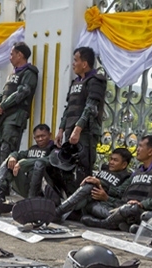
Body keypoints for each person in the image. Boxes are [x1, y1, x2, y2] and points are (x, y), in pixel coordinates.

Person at [82, 135, 152, 230]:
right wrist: (100, 184)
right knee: (91, 204)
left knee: (131, 209)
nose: (137, 149)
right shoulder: (138, 171)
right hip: (122, 208)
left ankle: (105, 223)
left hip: (141, 212)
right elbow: (119, 191)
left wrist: (142, 204)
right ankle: (121, 222)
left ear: (150, 151)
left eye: (140, 146)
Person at [56, 46, 106, 181]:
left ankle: (83, 201)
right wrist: (61, 129)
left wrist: (78, 129)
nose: (73, 64)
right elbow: (69, 108)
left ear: (84, 64)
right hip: (70, 130)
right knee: (66, 167)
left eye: (75, 60)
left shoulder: (95, 81)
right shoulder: (75, 83)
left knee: (83, 169)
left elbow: (90, 107)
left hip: (86, 132)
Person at [0, 42, 38, 172]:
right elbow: (3, 94)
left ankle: (4, 184)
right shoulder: (12, 74)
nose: (10, 57)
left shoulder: (29, 73)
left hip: (15, 117)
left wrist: (3, 106)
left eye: (12, 54)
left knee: (7, 149)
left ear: (20, 55)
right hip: (3, 116)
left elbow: (22, 93)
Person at [56, 146, 133, 220]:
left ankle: (59, 211)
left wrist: (101, 185)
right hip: (86, 197)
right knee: (88, 186)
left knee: (90, 188)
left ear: (124, 165)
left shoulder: (126, 177)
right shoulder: (105, 169)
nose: (111, 162)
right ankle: (58, 209)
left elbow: (118, 193)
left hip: (102, 203)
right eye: (111, 159)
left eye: (115, 160)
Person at [0, 123, 55, 199]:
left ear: (50, 135)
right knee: (9, 161)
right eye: (37, 137)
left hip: (45, 189)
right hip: (28, 186)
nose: (40, 139)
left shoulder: (54, 149)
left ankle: (32, 198)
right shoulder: (33, 149)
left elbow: (49, 160)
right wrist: (12, 157)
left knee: (39, 165)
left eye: (43, 136)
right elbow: (19, 154)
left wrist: (24, 163)